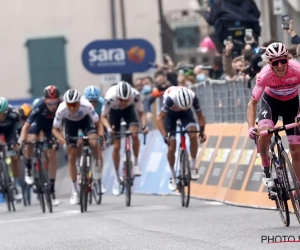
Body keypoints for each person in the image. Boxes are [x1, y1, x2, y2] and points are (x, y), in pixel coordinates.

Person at [247, 42, 300, 190]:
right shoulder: (264, 75)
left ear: (288, 58)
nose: (280, 65)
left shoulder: (297, 69)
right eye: (275, 62)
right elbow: (252, 103)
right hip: (271, 104)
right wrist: (251, 127)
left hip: (292, 104)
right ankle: (265, 166)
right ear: (270, 63)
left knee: (297, 151)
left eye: (283, 60)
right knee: (264, 132)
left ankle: (298, 186)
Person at [52, 89, 104, 205]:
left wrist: (100, 136)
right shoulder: (61, 110)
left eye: (75, 104)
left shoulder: (86, 105)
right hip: (70, 125)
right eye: (69, 105)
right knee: (71, 156)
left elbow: (98, 123)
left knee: (93, 142)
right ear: (66, 103)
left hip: (86, 122)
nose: (72, 108)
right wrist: (63, 141)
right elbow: (55, 129)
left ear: (79, 102)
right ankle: (75, 190)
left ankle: (96, 163)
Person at [101, 81, 148, 196]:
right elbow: (103, 116)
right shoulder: (110, 97)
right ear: (117, 97)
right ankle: (117, 178)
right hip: (114, 113)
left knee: (134, 135)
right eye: (121, 100)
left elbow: (141, 113)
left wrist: (144, 126)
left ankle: (136, 163)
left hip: (129, 112)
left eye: (126, 100)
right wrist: (108, 128)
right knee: (116, 146)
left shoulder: (135, 95)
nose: (123, 102)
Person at [156, 86, 207, 191]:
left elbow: (201, 116)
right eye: (182, 106)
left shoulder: (193, 97)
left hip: (186, 114)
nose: (183, 108)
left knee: (193, 135)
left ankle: (193, 167)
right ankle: (173, 176)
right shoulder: (170, 99)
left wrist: (202, 132)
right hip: (170, 115)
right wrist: (165, 137)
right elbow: (159, 118)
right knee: (171, 145)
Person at [19, 85, 61, 206]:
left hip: (52, 128)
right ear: (45, 100)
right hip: (38, 125)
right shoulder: (39, 107)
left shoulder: (62, 105)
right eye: (50, 103)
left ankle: (52, 188)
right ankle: (28, 167)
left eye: (55, 102)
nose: (53, 106)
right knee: (30, 140)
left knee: (52, 152)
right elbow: (26, 126)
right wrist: (22, 140)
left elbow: (66, 122)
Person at [82, 85, 106, 193]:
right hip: (83, 123)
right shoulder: (81, 104)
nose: (93, 104)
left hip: (97, 124)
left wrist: (102, 137)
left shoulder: (102, 104)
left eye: (95, 101)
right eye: (90, 101)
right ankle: (80, 165)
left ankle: (99, 179)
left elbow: (103, 121)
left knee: (97, 147)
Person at [0, 98, 23, 200]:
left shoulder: (14, 114)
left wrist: (19, 144)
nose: (1, 117)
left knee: (15, 158)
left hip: (10, 133)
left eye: (3, 114)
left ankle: (16, 184)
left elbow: (20, 130)